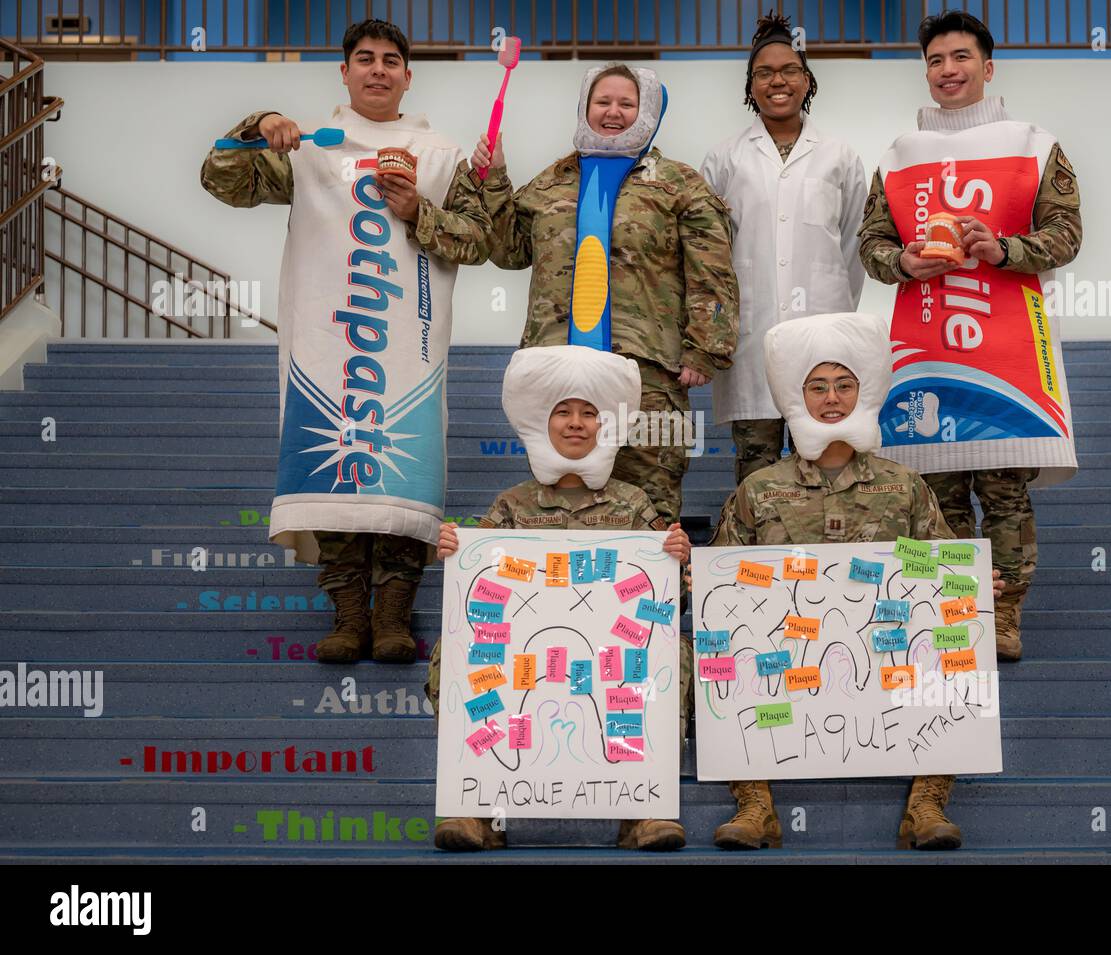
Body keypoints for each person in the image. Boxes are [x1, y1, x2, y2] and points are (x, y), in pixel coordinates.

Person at [200, 19, 495, 666]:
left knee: (403, 473)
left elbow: (482, 239)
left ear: (408, 76)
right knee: (332, 465)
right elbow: (222, 181)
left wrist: (420, 210)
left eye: (391, 60)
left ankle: (392, 617)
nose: (378, 70)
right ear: (344, 71)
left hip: (407, 347)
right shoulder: (309, 147)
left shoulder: (440, 154)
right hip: (327, 346)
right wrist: (260, 124)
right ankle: (346, 614)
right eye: (365, 59)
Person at [709, 312, 1004, 851]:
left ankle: (927, 804)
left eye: (845, 385)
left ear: (861, 393)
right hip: (789, 650)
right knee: (722, 647)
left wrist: (975, 588)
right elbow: (719, 586)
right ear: (798, 398)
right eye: (817, 387)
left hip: (880, 645)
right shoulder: (760, 488)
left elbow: (938, 567)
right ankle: (755, 807)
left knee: (957, 641)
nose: (831, 398)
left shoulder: (903, 486)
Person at [857, 9, 1082, 662]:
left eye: (960, 58)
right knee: (936, 488)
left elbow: (1066, 234)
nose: (947, 71)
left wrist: (1003, 248)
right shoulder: (901, 153)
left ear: (987, 66)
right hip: (925, 344)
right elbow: (872, 242)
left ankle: (1005, 613)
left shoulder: (1033, 144)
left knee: (1004, 487)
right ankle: (956, 606)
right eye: (934, 60)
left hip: (1006, 341)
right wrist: (902, 262)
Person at [425, 346, 695, 852]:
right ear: (542, 424)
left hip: (612, 653)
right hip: (525, 654)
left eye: (589, 413)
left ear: (604, 426)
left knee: (672, 654)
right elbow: (474, 594)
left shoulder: (635, 503)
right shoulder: (511, 505)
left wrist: (677, 563)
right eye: (563, 413)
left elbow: (665, 606)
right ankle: (478, 806)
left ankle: (644, 807)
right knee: (455, 655)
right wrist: (455, 553)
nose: (576, 424)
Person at [470, 63, 739, 526]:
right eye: (603, 102)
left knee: (651, 506)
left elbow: (711, 269)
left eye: (626, 104)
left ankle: (652, 599)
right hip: (556, 367)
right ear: (585, 107)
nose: (613, 113)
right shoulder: (552, 180)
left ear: (648, 111)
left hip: (647, 371)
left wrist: (704, 349)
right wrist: (494, 180)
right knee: (557, 501)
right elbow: (510, 250)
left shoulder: (679, 183)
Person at [700, 11, 868, 484]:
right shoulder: (724, 157)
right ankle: (758, 559)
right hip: (751, 337)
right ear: (750, 85)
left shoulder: (840, 154)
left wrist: (836, 309)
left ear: (807, 79)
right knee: (757, 474)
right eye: (765, 72)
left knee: (830, 465)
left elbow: (855, 245)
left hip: (824, 334)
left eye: (790, 70)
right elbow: (710, 253)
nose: (778, 81)